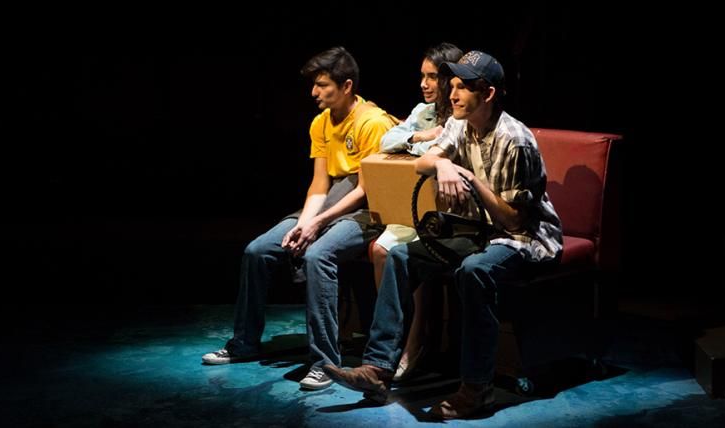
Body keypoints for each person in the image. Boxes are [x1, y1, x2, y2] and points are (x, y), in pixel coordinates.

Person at [324, 50, 563, 419]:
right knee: (400, 256)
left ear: (488, 93)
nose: (452, 94)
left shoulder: (515, 140)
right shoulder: (457, 123)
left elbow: (515, 222)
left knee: (475, 271)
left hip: (525, 240)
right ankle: (378, 368)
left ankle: (477, 390)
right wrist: (443, 162)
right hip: (477, 229)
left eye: (463, 87)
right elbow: (423, 161)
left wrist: (469, 180)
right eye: (451, 85)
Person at [202, 46, 398, 392]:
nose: (314, 92)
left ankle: (324, 362)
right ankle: (244, 343)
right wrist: (304, 223)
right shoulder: (320, 122)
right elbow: (320, 183)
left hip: (368, 209)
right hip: (331, 202)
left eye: (322, 85)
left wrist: (317, 225)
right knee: (257, 250)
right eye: (314, 85)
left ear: (347, 85)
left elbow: (365, 190)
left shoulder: (373, 122)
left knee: (317, 255)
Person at [371, 42, 462, 382]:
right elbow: (387, 141)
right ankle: (393, 338)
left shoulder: (462, 113)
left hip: (443, 211)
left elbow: (449, 156)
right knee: (380, 250)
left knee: (407, 255)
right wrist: (422, 137)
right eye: (422, 76)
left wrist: (426, 146)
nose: (424, 84)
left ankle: (415, 341)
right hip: (412, 204)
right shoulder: (422, 113)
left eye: (432, 77)